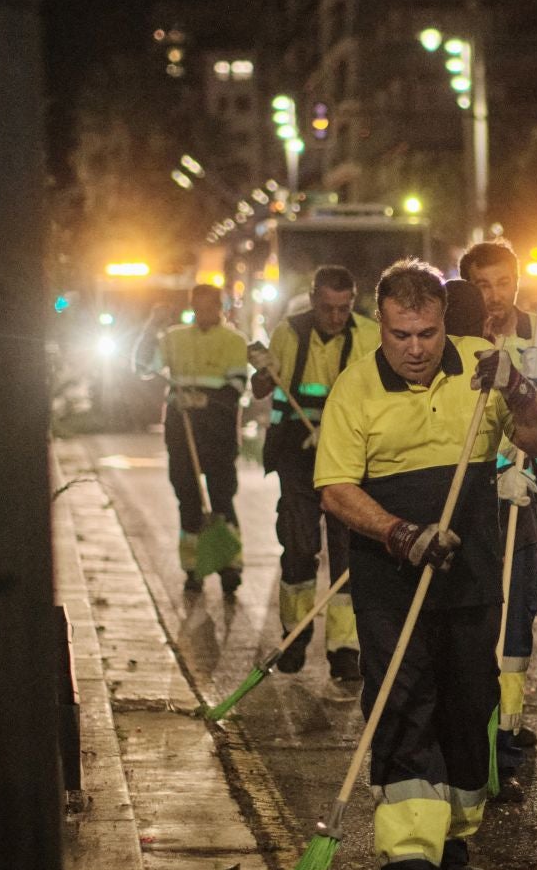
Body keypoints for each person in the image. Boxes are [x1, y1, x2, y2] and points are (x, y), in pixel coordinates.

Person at [315, 259, 537, 870]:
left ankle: (451, 845)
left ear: (443, 320)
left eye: (425, 332)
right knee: (404, 699)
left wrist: (521, 391)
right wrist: (400, 535)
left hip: (472, 568)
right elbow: (336, 489)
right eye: (400, 335)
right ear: (383, 327)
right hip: (392, 574)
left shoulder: (484, 366)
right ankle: (407, 858)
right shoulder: (355, 389)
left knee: (467, 699)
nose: (415, 349)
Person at [458, 240, 537, 782]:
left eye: (502, 283)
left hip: (533, 483)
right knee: (490, 609)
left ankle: (507, 716)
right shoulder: (458, 338)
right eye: (482, 286)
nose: (494, 296)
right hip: (471, 490)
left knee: (523, 599)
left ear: (516, 282)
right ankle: (494, 735)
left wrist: (535, 404)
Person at [247, 265, 379, 680]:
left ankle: (344, 649)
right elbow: (263, 390)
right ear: (312, 298)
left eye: (344, 309)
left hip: (349, 459)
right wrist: (264, 371)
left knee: (348, 556)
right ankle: (294, 637)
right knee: (300, 547)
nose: (336, 318)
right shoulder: (290, 333)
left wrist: (336, 431)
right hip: (298, 457)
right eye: (327, 308)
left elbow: (375, 398)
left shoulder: (368, 336)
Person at [143, 284, 249, 595]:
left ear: (219, 307)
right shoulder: (173, 338)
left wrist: (203, 400)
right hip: (181, 429)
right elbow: (143, 367)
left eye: (209, 307)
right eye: (198, 307)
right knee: (187, 500)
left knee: (221, 498)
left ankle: (229, 564)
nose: (203, 314)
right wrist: (152, 326)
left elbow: (236, 385)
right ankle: (194, 568)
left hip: (218, 432)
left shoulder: (233, 341)